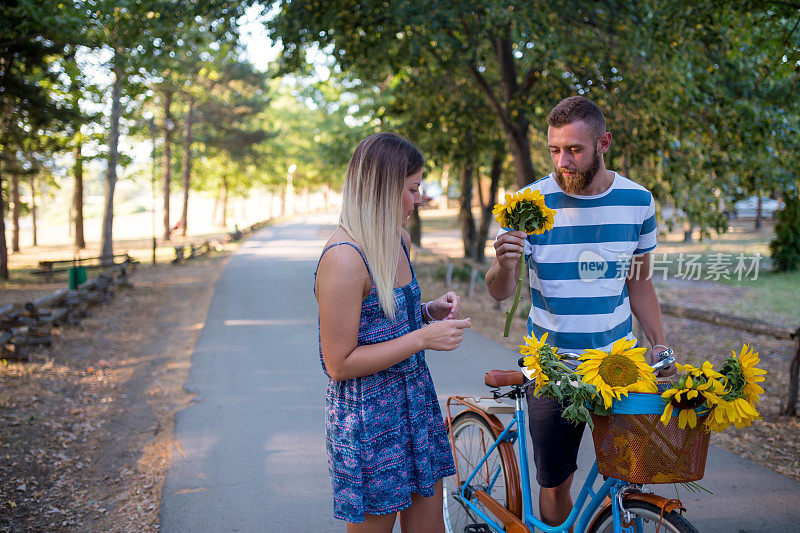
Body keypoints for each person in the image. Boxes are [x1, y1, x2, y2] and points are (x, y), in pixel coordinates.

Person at [485, 96, 674, 527]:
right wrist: (504, 263)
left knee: (628, 475)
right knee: (556, 484)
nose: (563, 162)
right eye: (554, 150)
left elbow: (639, 281)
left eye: (574, 150)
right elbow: (499, 292)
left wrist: (660, 345)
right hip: (552, 367)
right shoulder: (527, 204)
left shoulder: (638, 201)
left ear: (603, 143)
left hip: (619, 363)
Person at [314, 132, 471, 532]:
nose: (420, 199)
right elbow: (339, 363)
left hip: (415, 403)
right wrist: (420, 339)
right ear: (383, 189)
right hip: (369, 420)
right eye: (413, 188)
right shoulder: (343, 259)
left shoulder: (399, 241)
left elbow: (379, 320)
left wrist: (426, 313)